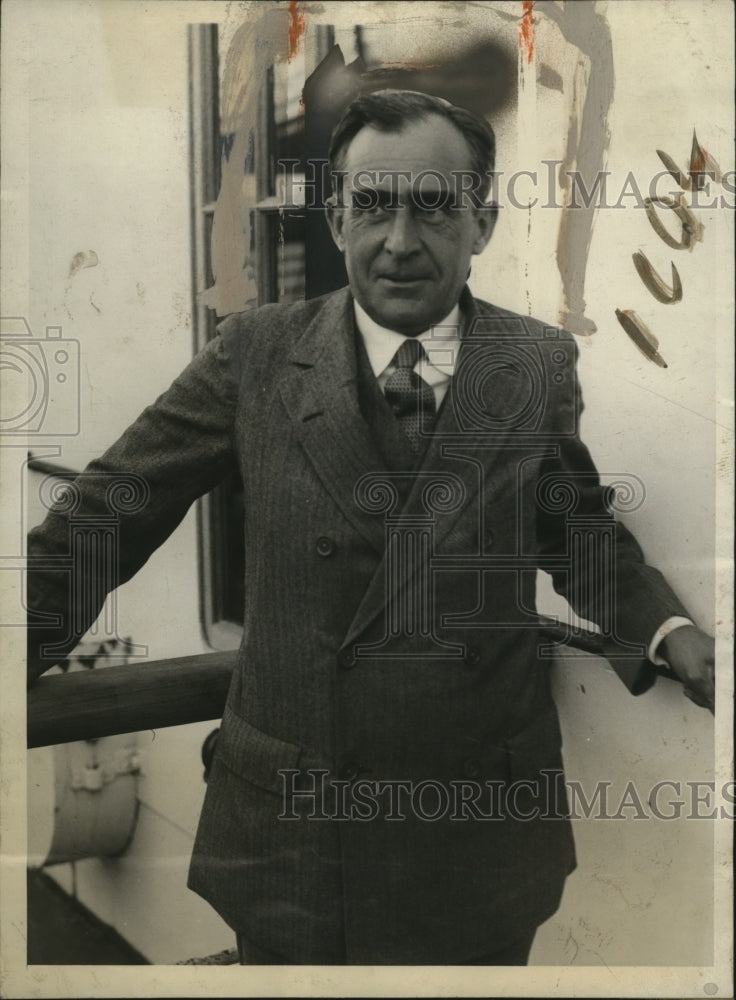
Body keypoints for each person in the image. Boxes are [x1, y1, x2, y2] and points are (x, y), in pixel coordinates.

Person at [26, 90, 715, 966]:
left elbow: (571, 525)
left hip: (482, 834)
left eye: (434, 208)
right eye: (373, 206)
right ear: (336, 218)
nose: (399, 240)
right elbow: (106, 517)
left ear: (482, 222)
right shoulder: (255, 354)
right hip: (296, 838)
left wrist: (665, 626)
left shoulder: (535, 363)